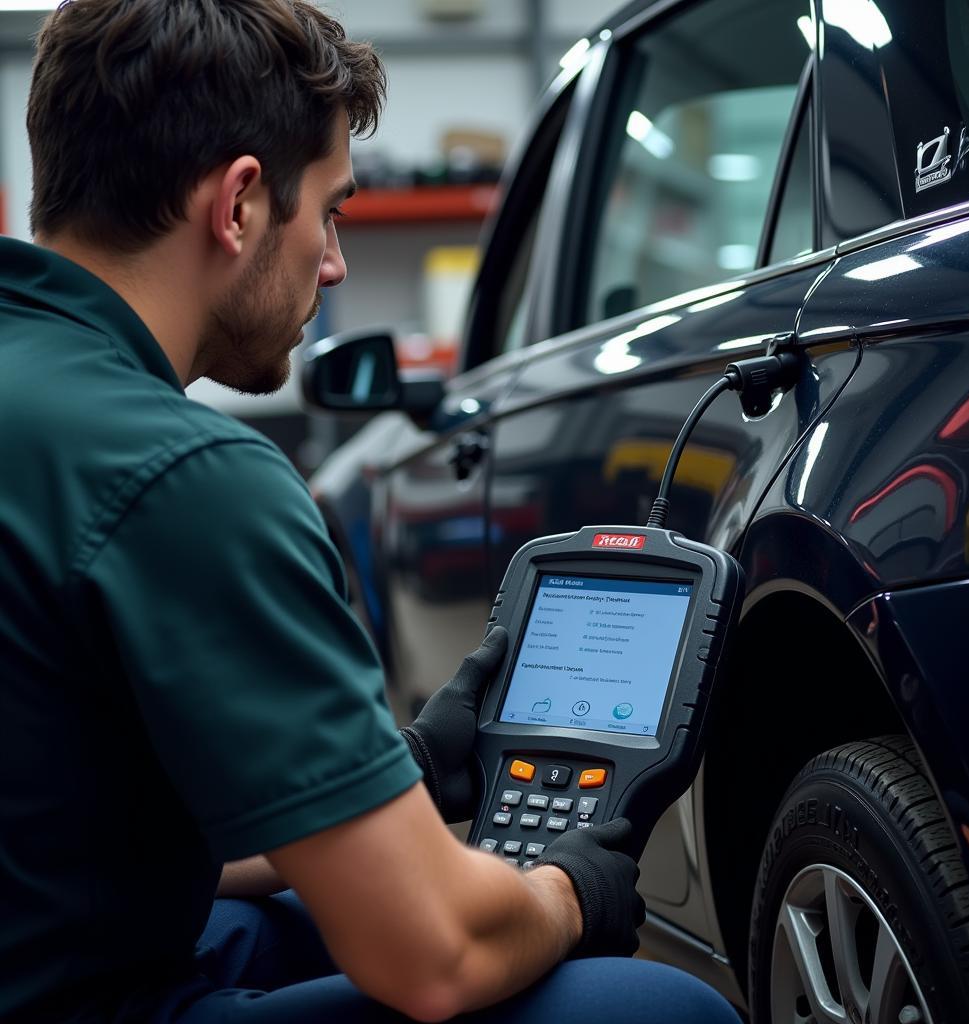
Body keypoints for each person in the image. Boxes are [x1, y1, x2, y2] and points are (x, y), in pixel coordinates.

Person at [0, 2, 743, 1021]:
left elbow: (67, 836)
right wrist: (575, 889)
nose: (336, 261)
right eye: (332, 209)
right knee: (657, 1006)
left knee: (298, 917)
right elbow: (436, 957)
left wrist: (402, 773)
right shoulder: (178, 475)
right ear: (240, 205)